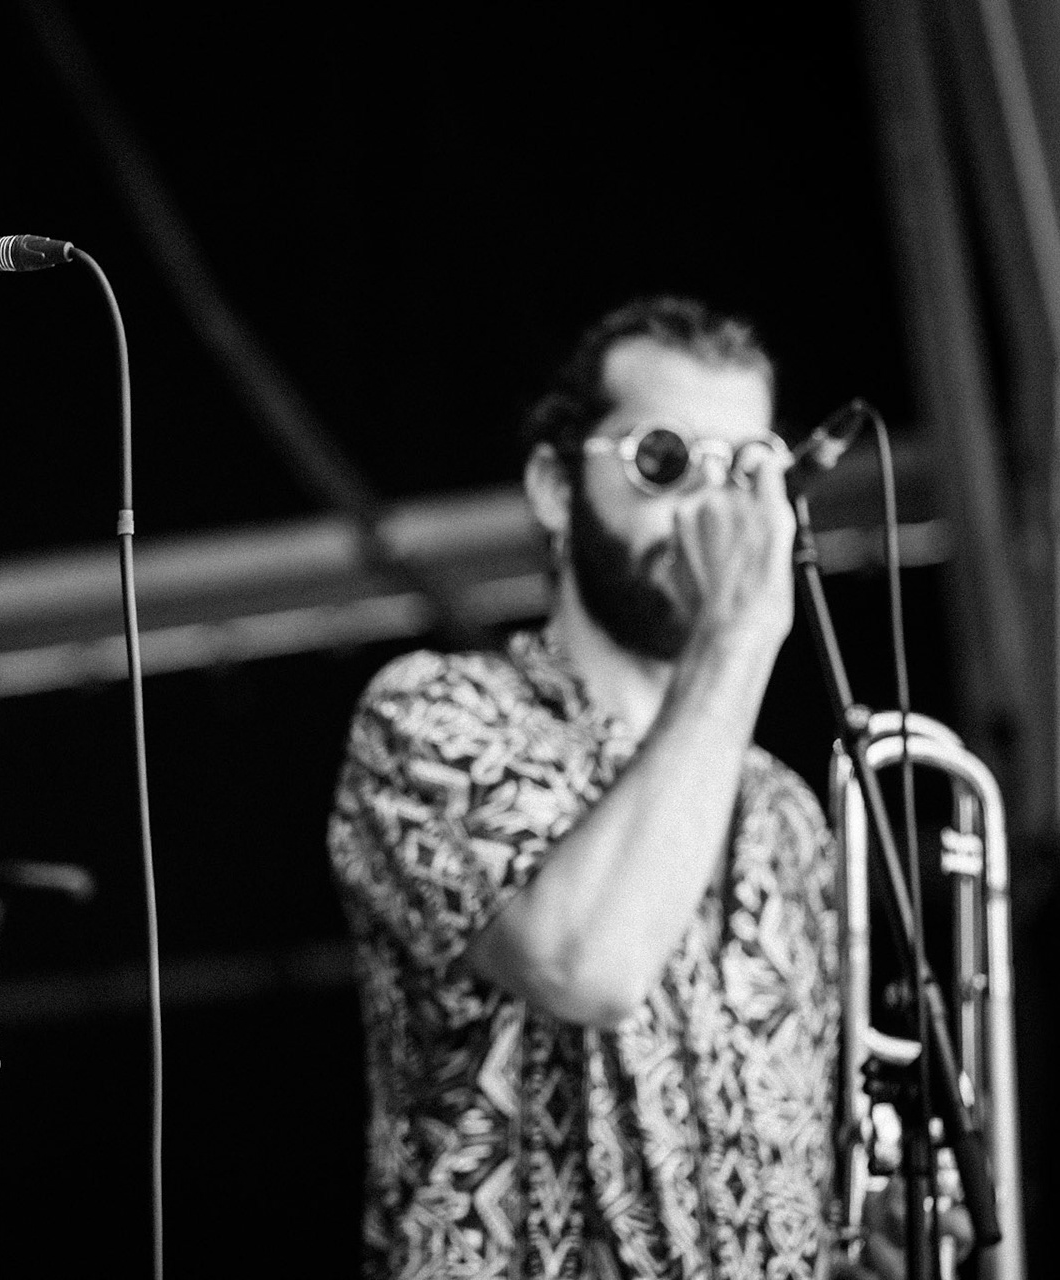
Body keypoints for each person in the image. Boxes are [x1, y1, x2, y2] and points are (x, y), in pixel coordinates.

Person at [328, 296, 852, 1278]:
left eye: (746, 471)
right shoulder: (435, 716)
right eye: (665, 459)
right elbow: (585, 964)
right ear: (554, 486)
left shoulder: (783, 806)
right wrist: (737, 638)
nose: (711, 507)